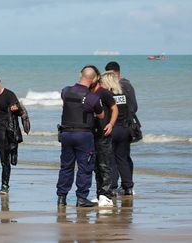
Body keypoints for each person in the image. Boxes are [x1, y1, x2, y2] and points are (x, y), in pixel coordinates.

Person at [56, 65, 104, 207]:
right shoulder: (92, 98)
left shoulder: (66, 91)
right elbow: (101, 115)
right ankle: (81, 198)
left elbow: (67, 103)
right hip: (83, 134)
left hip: (66, 134)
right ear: (94, 79)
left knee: (66, 166)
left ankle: (61, 197)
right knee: (85, 167)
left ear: (80, 75)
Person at [104, 61, 138, 196]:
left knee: (111, 158)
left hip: (112, 128)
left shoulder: (108, 92)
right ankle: (128, 187)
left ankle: (112, 187)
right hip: (126, 128)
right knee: (124, 158)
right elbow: (134, 107)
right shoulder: (127, 87)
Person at [90, 71, 119, 207]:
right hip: (91, 134)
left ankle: (106, 195)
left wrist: (111, 124)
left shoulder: (104, 93)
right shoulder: (86, 93)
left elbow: (114, 108)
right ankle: (99, 194)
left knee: (104, 165)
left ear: (97, 78)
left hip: (104, 134)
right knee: (96, 166)